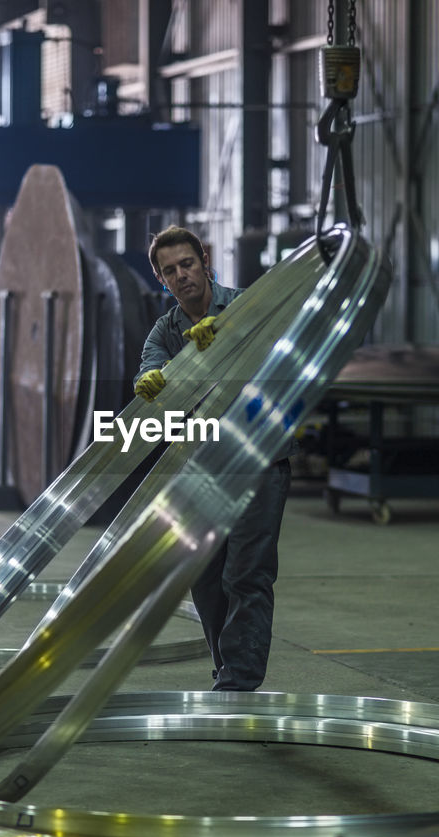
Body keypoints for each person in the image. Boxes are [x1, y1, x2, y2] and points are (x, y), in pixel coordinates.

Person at [133, 225, 291, 691]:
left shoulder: (245, 305)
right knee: (203, 574)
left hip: (258, 454)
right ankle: (225, 669)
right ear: (162, 281)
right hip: (202, 462)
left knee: (246, 571)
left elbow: (280, 350)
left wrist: (228, 337)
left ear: (204, 259)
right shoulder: (166, 331)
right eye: (170, 272)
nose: (181, 276)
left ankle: (239, 681)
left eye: (187, 263)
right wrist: (156, 379)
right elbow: (150, 369)